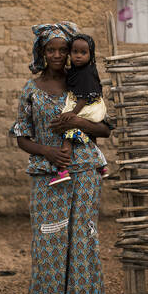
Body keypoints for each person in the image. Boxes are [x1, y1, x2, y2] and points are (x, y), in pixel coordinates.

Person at [9, 21, 111, 294]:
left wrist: (73, 123)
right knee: (47, 241)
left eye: (62, 49)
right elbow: (20, 136)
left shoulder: (81, 81)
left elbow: (105, 128)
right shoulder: (31, 88)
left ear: (71, 52)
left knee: (82, 240)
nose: (56, 54)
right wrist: (48, 151)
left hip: (83, 171)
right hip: (47, 172)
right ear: (41, 52)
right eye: (50, 49)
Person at [49, 33, 109, 186]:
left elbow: (84, 97)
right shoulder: (77, 71)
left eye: (83, 53)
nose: (78, 56)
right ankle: (102, 166)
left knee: (68, 135)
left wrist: (73, 114)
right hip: (86, 105)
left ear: (91, 54)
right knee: (84, 135)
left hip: (88, 106)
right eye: (75, 52)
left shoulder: (86, 73)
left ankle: (62, 170)